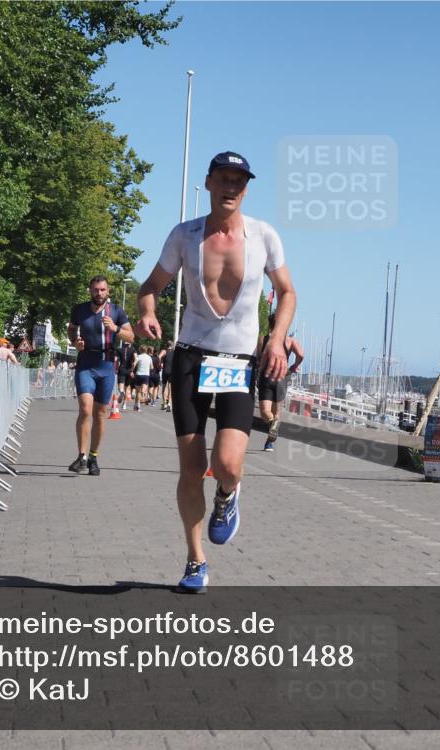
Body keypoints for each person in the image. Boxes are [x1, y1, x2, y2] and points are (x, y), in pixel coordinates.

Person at [136, 151, 296, 593]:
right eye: (223, 178)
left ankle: (228, 495)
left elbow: (287, 293)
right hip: (190, 356)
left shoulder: (264, 235)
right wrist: (147, 311)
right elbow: (150, 287)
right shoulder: (184, 235)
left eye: (239, 181)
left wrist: (278, 339)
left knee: (225, 464)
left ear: (246, 188)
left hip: (236, 361)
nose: (231, 187)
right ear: (208, 183)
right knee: (191, 468)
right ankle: (195, 561)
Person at [67, 276, 134, 476]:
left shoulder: (116, 312)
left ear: (108, 291)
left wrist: (115, 329)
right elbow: (72, 330)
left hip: (106, 364)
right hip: (86, 363)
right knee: (85, 409)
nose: (99, 293)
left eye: (103, 290)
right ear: (90, 290)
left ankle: (94, 457)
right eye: (96, 290)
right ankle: (82, 456)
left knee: (100, 414)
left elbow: (131, 336)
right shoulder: (79, 309)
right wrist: (75, 341)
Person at [256, 312, 304, 451]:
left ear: (270, 324)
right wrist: (293, 367)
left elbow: (259, 359)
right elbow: (301, 355)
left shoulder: (262, 339)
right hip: (281, 378)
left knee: (265, 411)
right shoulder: (290, 341)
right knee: (277, 412)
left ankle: (272, 423)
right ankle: (269, 443)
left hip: (266, 377)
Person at [117, 340, 136, 410]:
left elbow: (116, 360)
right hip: (129, 370)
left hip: (121, 369)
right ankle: (124, 404)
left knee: (120, 386)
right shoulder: (133, 349)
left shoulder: (119, 349)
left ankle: (121, 392)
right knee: (126, 387)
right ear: (129, 343)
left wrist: (116, 368)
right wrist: (133, 368)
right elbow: (136, 358)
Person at [133, 346, 154, 410]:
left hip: (139, 374)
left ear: (140, 350)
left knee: (138, 391)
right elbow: (152, 367)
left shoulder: (138, 356)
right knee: (143, 389)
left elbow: (134, 364)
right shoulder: (149, 357)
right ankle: (143, 395)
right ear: (146, 350)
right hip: (146, 375)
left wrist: (132, 370)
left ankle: (138, 404)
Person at [159, 344, 175, 412]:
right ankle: (169, 404)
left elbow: (159, 356)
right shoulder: (175, 352)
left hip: (165, 371)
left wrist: (160, 363)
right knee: (170, 389)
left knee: (164, 387)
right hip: (172, 372)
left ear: (166, 346)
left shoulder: (164, 351)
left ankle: (164, 403)